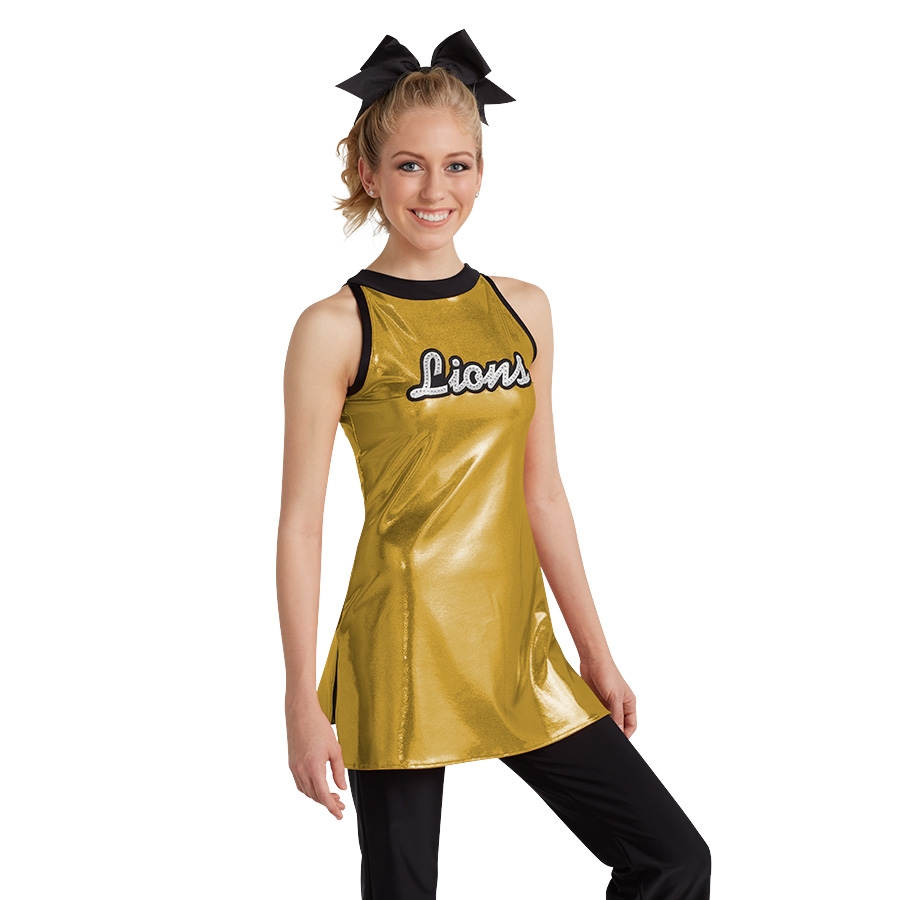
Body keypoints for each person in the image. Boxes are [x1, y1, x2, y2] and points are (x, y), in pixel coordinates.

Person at [276, 30, 711, 900]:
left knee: (671, 858)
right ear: (368, 172)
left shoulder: (523, 310)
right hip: (400, 646)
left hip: (518, 645)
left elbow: (542, 491)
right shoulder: (336, 327)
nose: (435, 190)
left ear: (480, 172)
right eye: (408, 166)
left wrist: (597, 653)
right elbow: (301, 524)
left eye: (457, 165)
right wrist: (299, 699)